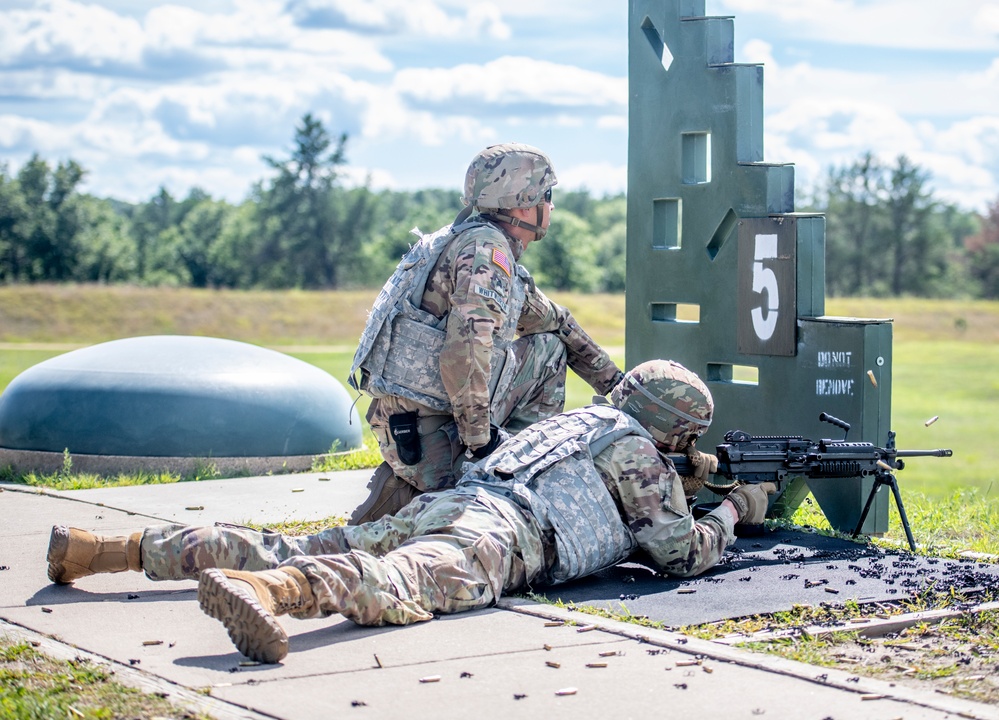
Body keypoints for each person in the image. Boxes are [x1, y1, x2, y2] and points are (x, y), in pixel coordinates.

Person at [46, 360, 776, 665]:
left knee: (282, 541)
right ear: (671, 429)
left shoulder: (584, 424)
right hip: (496, 536)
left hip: (451, 503)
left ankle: (104, 549)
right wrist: (735, 510)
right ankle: (271, 595)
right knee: (403, 583)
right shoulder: (636, 455)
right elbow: (681, 555)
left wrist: (684, 477)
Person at [345, 142, 625, 524]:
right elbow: (467, 349)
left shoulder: (469, 241)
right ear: (524, 203)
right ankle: (510, 477)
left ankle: (408, 489)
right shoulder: (487, 253)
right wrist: (482, 443)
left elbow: (556, 321)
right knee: (548, 353)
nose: (552, 206)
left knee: (550, 339)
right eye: (547, 195)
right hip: (430, 441)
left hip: (406, 430)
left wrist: (620, 387)